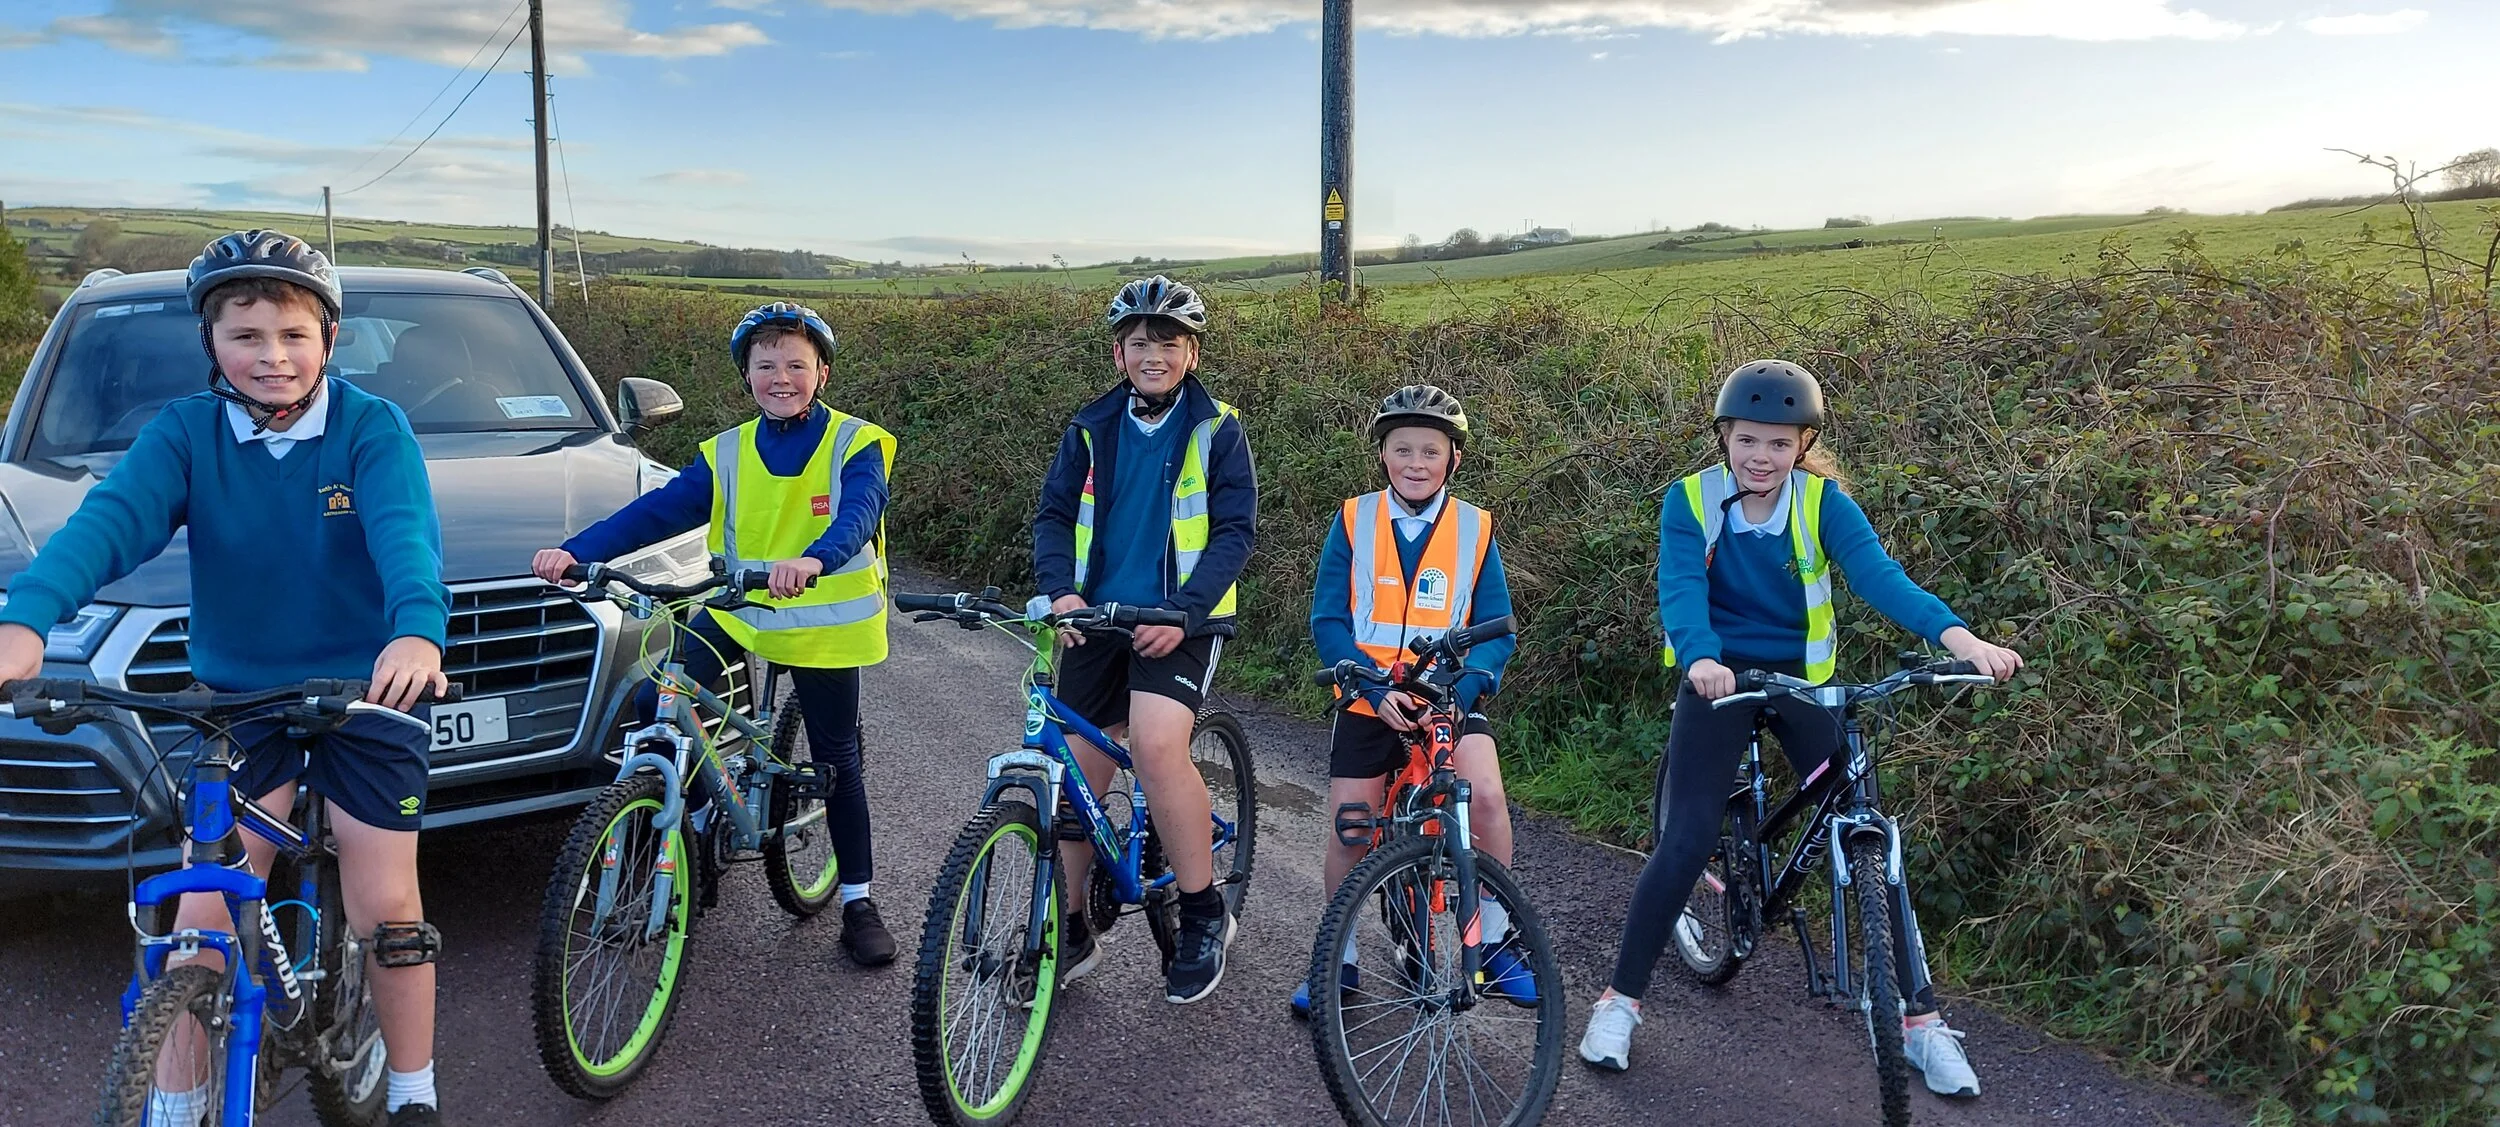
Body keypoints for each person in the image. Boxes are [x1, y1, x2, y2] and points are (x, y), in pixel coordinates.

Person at [0, 229, 453, 1126]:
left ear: (329, 338)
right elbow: (109, 525)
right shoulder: (185, 432)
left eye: (292, 334)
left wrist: (416, 634)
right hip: (240, 699)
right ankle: (172, 1108)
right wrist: (26, 618)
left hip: (363, 692)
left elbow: (406, 540)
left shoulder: (370, 427)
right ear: (211, 342)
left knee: (385, 908)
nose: (271, 356)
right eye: (246, 336)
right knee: (199, 921)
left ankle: (410, 1090)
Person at [1576, 359, 2024, 1099]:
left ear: (1802, 445)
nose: (1761, 456)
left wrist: (1960, 639)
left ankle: (1922, 1024)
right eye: (1747, 439)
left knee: (1867, 827)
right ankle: (1619, 1004)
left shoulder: (1823, 504)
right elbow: (1681, 591)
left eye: (1779, 444)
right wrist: (1701, 659)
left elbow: (1881, 578)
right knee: (1686, 838)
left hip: (1802, 680)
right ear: (1723, 437)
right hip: (1715, 677)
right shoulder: (1691, 500)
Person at [531, 301, 899, 965]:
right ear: (746, 375)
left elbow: (858, 513)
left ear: (821, 372)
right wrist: (579, 551)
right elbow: (659, 509)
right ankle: (699, 817)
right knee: (657, 701)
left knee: (835, 756)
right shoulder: (728, 451)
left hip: (822, 624)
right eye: (766, 365)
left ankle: (857, 899)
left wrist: (814, 558)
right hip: (741, 607)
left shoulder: (856, 442)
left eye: (795, 363)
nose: (780, 376)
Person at [1031, 275, 1256, 1004]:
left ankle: (1201, 910)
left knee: (1157, 747)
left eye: (1167, 341)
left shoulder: (1218, 428)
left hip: (1185, 621)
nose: (1150, 353)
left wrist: (1183, 612)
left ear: (1191, 353)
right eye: (1137, 341)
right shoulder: (1088, 426)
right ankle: (1069, 929)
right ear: (1118, 352)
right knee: (1072, 782)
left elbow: (1233, 534)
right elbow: (1054, 516)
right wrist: (1061, 589)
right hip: (1098, 618)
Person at [1294, 384, 1535, 1019]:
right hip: (1370, 694)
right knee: (1351, 825)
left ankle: (1497, 934)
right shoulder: (1353, 518)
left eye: (1431, 451)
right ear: (1383, 456)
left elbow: (1495, 626)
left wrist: (1461, 691)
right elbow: (1329, 619)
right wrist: (1369, 690)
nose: (1416, 463)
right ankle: (1337, 957)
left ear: (1453, 459)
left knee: (1483, 798)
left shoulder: (1476, 528)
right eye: (1402, 450)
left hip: (1448, 695)